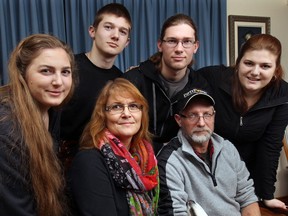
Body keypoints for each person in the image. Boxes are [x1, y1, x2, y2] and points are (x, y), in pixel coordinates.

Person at [197, 34, 288, 209]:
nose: (255, 72)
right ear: (238, 63)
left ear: (276, 70)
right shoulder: (213, 78)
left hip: (245, 179)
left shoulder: (282, 95)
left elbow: (270, 146)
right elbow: (177, 79)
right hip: (204, 172)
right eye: (249, 63)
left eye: (265, 66)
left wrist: (267, 195)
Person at [0, 34, 77, 216]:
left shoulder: (52, 109)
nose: (58, 82)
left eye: (65, 72)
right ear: (22, 74)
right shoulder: (7, 129)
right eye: (46, 71)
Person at [157, 88, 261, 216]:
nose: (201, 123)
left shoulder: (228, 148)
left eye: (207, 114)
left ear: (214, 116)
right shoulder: (169, 161)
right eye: (192, 115)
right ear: (179, 120)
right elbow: (174, 212)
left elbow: (247, 198)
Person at [69, 78, 159, 216]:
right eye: (116, 107)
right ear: (103, 115)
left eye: (134, 106)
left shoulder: (146, 158)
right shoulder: (89, 162)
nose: (127, 114)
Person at [123, 13, 209, 155]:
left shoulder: (201, 86)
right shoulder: (133, 81)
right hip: (137, 157)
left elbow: (201, 135)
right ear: (160, 45)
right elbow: (119, 132)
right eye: (172, 41)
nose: (179, 49)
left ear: (196, 46)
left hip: (182, 161)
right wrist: (159, 147)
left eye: (187, 41)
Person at [59, 3, 132, 168]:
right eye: (108, 27)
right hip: (55, 157)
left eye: (122, 31)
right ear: (92, 31)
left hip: (97, 162)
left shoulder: (120, 81)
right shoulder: (68, 67)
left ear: (126, 42)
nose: (115, 36)